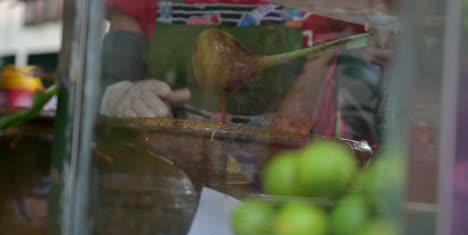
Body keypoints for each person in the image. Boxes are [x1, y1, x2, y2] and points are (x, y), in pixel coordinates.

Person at [100, 0, 395, 144]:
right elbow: (103, 83)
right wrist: (120, 96)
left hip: (307, 203)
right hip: (170, 193)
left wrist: (399, 65)